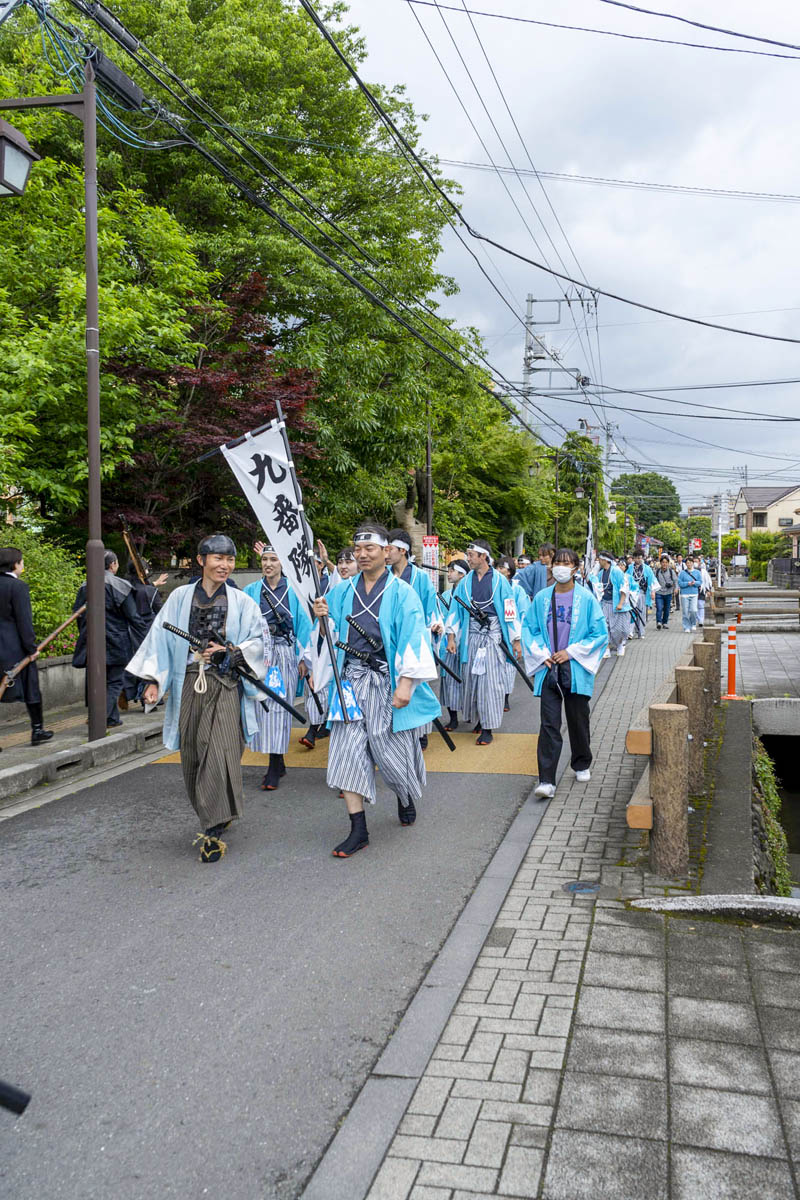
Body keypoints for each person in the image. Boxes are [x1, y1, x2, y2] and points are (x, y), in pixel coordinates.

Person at [127, 533, 265, 863]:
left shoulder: (242, 601)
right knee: (192, 751)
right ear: (201, 560)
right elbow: (158, 637)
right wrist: (152, 680)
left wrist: (232, 652)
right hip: (190, 681)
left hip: (226, 685)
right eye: (218, 558)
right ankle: (216, 809)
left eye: (229, 559)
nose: (225, 565)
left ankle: (213, 828)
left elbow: (258, 640)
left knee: (219, 750)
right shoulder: (179, 598)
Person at [310, 522, 441, 858]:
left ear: (386, 551)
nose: (362, 554)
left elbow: (415, 637)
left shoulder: (402, 593)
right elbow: (330, 635)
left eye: (370, 549)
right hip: (351, 682)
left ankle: (404, 795)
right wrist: (323, 619)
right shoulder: (341, 591)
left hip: (387, 680)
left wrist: (407, 683)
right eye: (358, 549)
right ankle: (359, 829)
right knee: (346, 752)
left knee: (392, 755)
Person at [522, 548, 608, 799]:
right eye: (558, 562)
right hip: (549, 668)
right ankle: (546, 779)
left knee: (578, 719)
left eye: (567, 563)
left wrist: (571, 652)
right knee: (549, 724)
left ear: (576, 568)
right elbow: (530, 628)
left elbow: (599, 634)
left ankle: (581, 762)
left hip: (575, 667)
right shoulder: (541, 598)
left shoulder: (586, 598)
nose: (561, 567)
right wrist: (541, 653)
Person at [243, 547, 311, 791]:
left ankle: (273, 765)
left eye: (274, 559)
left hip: (284, 653)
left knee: (281, 707)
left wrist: (305, 660)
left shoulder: (294, 591)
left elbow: (305, 626)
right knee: (262, 707)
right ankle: (277, 759)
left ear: (282, 563)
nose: (268, 564)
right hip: (260, 654)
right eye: (265, 559)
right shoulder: (251, 591)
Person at [444, 539, 523, 746]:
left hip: (493, 636)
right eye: (467, 554)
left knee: (490, 684)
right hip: (471, 637)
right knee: (473, 681)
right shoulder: (466, 582)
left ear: (483, 557)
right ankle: (480, 719)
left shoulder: (499, 581)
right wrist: (451, 637)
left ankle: (488, 728)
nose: (467, 558)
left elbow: (509, 612)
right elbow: (454, 611)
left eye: (471, 555)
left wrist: (516, 641)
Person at [73, 550, 148, 728]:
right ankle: (101, 716)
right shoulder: (119, 585)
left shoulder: (85, 586)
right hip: (117, 639)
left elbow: (78, 615)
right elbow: (133, 617)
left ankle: (112, 719)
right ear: (113, 564)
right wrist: (146, 635)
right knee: (115, 680)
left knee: (97, 680)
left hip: (91, 639)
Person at [386, 529, 443, 750]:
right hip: (389, 639)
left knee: (416, 683)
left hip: (415, 637)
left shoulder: (420, 578)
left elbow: (432, 608)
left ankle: (421, 731)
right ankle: (395, 728)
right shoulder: (385, 575)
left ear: (403, 550)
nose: (386, 553)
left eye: (389, 549)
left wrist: (436, 623)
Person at [0, 547, 53, 749]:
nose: (23, 565)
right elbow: (24, 622)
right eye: (21, 561)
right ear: (15, 564)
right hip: (16, 649)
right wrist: (32, 649)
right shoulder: (18, 587)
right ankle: (37, 729)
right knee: (31, 689)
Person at [122, 560, 167, 707]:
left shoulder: (123, 588)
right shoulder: (150, 592)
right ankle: (149, 697)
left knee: (131, 665)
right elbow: (161, 612)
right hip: (147, 631)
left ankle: (127, 694)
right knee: (149, 666)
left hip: (127, 631)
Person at [497, 555, 530, 712]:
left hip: (511, 631)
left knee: (509, 667)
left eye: (502, 568)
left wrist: (517, 635)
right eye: (497, 568)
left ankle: (505, 697)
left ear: (510, 571)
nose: (499, 571)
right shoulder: (494, 586)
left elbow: (523, 612)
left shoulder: (516, 590)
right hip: (494, 630)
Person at [438, 557, 468, 730]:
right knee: (449, 681)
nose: (448, 574)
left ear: (461, 573)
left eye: (451, 571)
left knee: (471, 680)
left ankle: (477, 717)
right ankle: (453, 718)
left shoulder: (469, 593)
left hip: (466, 641)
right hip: (447, 643)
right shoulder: (444, 596)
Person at [589, 551, 631, 658]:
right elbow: (596, 586)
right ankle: (606, 648)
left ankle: (620, 645)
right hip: (604, 603)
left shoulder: (616, 571)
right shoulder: (600, 573)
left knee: (619, 629)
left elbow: (624, 587)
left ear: (605, 560)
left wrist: (621, 603)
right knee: (604, 626)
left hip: (616, 604)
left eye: (600, 559)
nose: (599, 561)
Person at [626, 550, 655, 639]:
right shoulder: (630, 568)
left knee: (641, 612)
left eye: (640, 558)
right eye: (637, 558)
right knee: (632, 612)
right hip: (632, 593)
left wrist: (652, 591)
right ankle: (630, 631)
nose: (639, 560)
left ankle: (641, 632)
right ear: (633, 558)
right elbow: (626, 579)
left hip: (642, 592)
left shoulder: (647, 568)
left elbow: (651, 581)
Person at [677, 556, 702, 633]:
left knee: (693, 610)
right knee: (685, 611)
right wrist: (687, 583)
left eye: (690, 563)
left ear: (693, 563)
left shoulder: (697, 572)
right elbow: (680, 583)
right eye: (687, 563)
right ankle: (686, 626)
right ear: (686, 564)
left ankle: (693, 623)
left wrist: (694, 583)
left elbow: (700, 582)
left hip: (694, 593)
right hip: (684, 594)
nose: (689, 564)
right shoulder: (682, 573)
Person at [654, 554, 678, 629]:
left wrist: (676, 588)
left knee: (667, 609)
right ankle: (659, 622)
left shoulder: (671, 572)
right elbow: (653, 581)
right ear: (660, 563)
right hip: (659, 593)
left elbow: (675, 581)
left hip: (668, 592)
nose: (664, 564)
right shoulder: (656, 572)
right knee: (659, 608)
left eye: (666, 562)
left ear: (668, 563)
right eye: (663, 562)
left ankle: (665, 622)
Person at [697, 557, 713, 627]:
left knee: (701, 605)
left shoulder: (703, 571)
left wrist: (708, 590)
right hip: (692, 590)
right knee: (694, 606)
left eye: (696, 561)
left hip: (702, 590)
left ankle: (701, 621)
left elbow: (708, 581)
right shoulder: (688, 571)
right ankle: (697, 619)